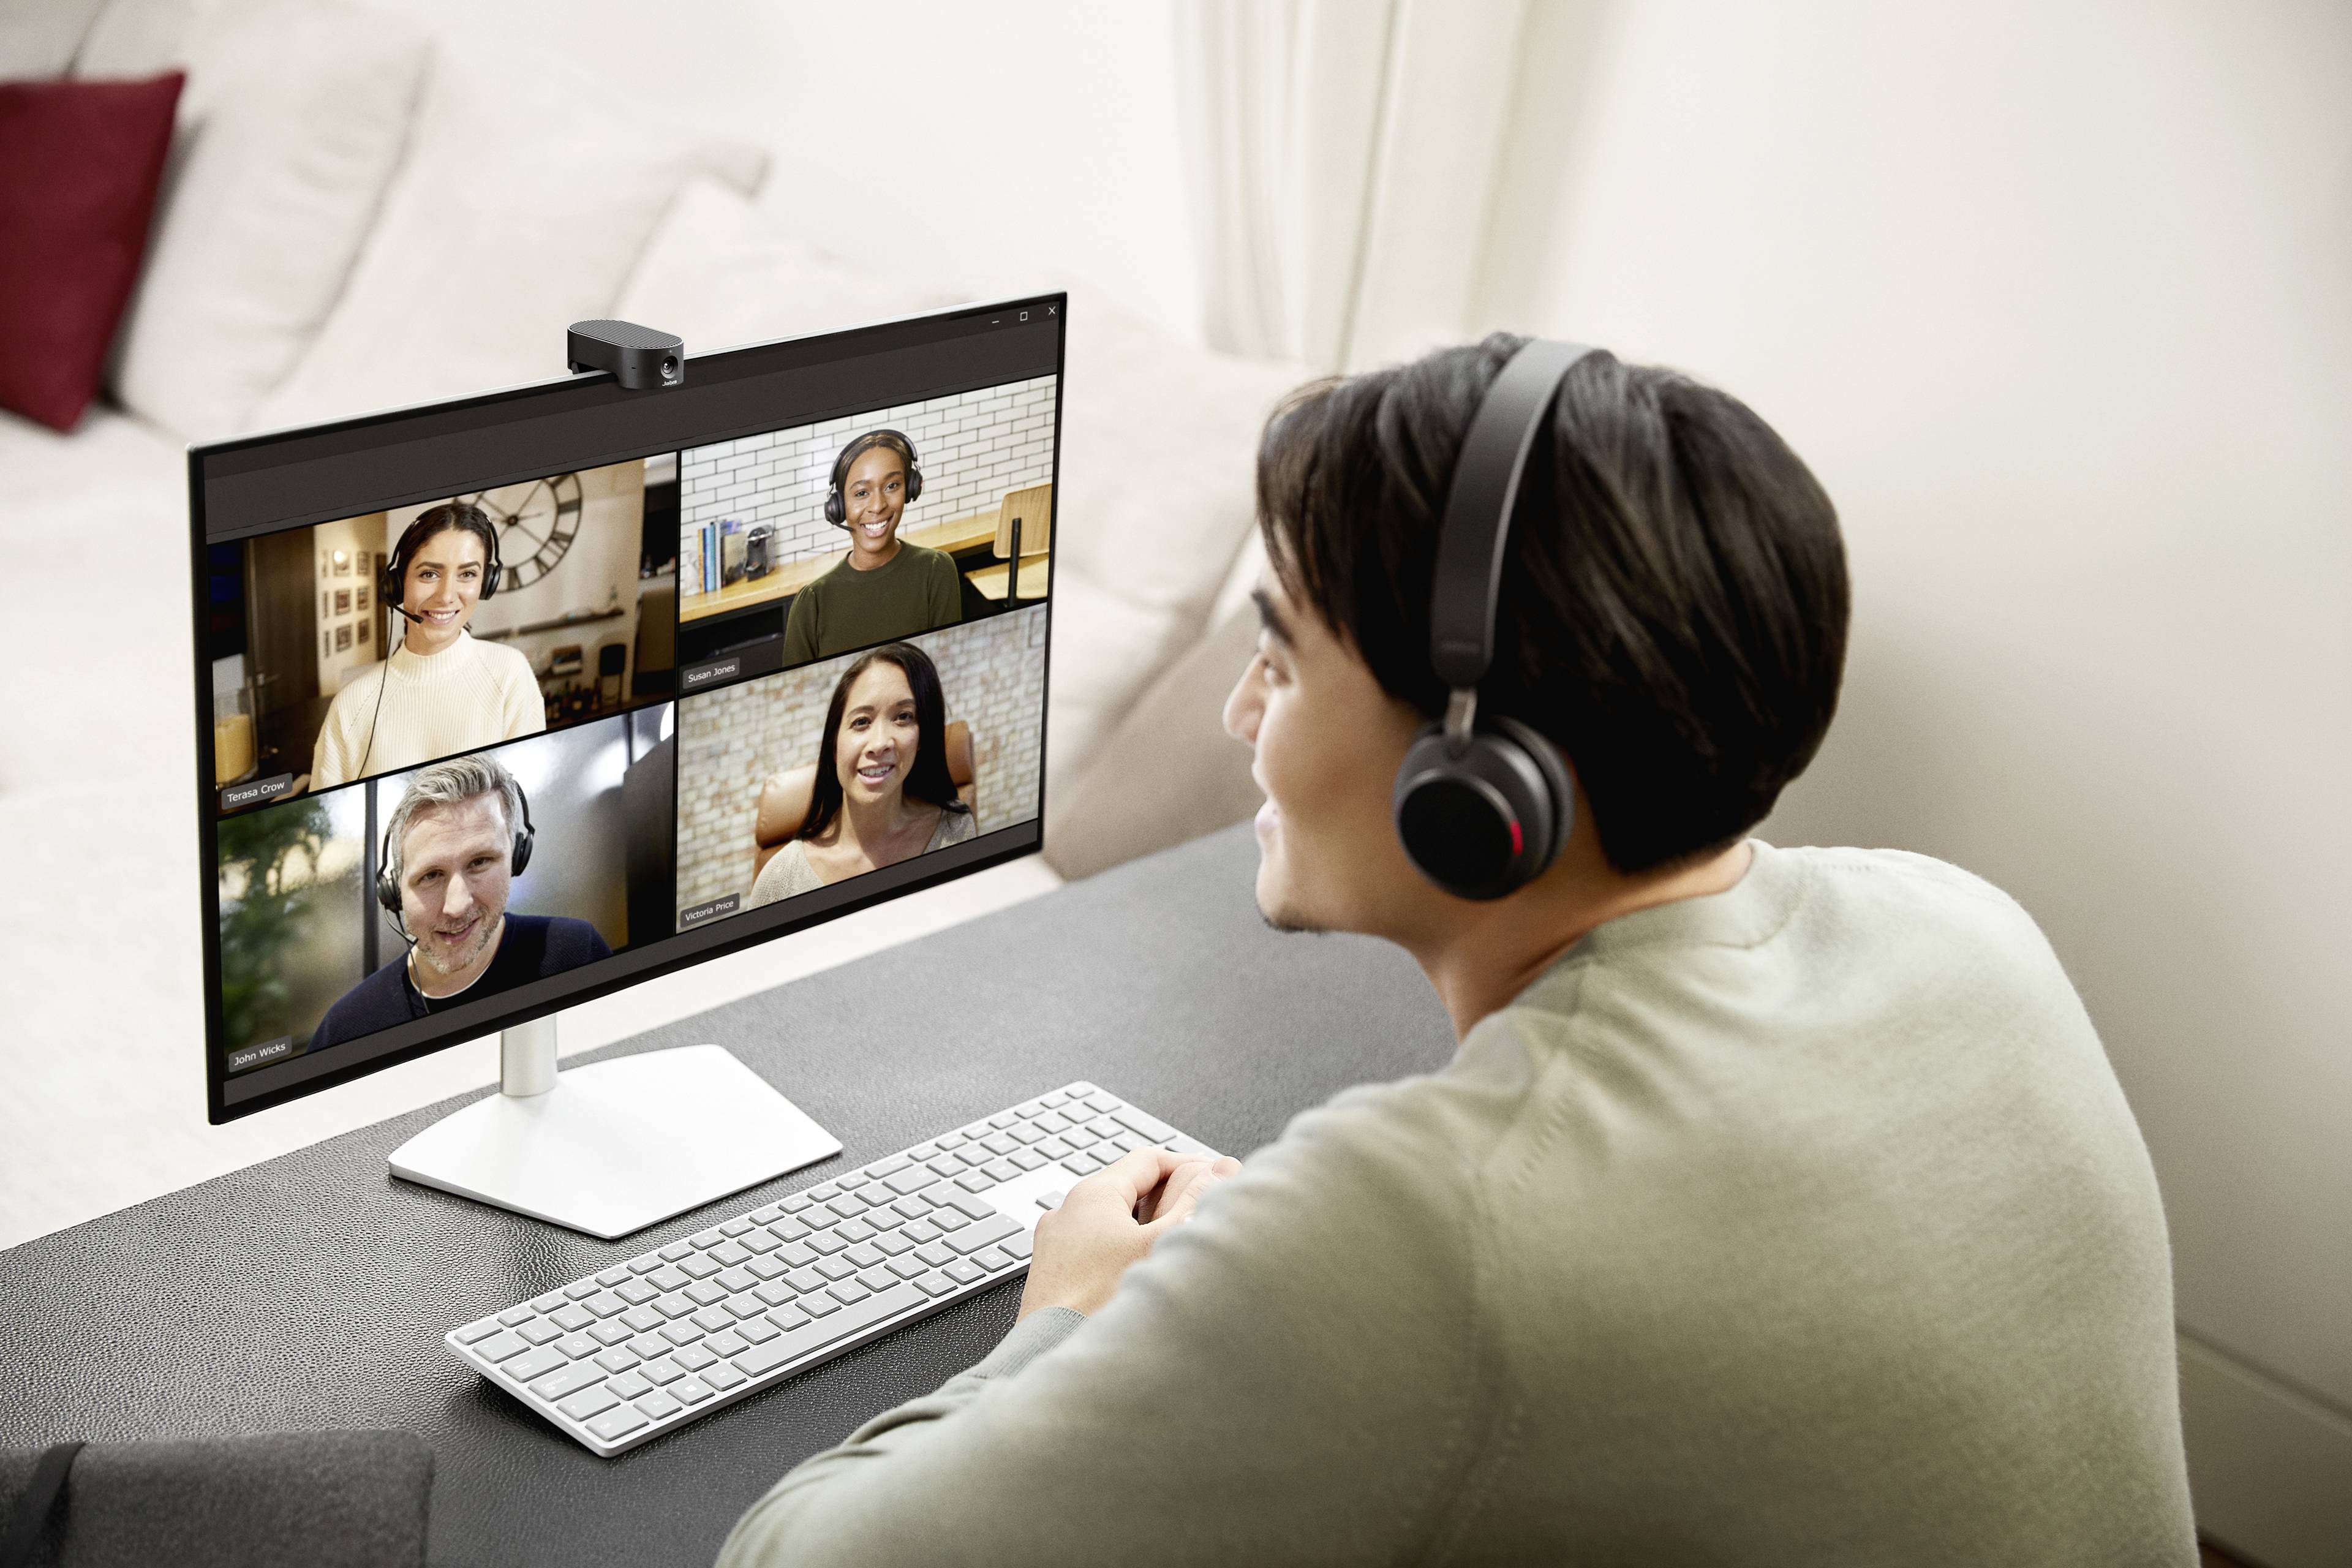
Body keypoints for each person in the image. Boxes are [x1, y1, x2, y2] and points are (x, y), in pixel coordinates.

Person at [715, 339, 2196, 1565]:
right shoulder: (1968, 926)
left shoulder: (1422, 1227)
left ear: (1476, 786)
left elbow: (802, 1560)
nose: (1240, 712)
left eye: (1282, 658)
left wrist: (1069, 1308)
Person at [309, 754, 609, 1049]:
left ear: (516, 857)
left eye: (479, 862)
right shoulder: (346, 1028)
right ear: (394, 893)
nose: (457, 906)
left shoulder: (575, 952)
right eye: (431, 875)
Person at [310, 502, 543, 789]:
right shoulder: (352, 705)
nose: (447, 596)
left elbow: (523, 793)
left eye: (467, 574)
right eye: (429, 574)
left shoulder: (509, 673)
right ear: (397, 584)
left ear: (486, 583)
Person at [745, 642, 976, 907]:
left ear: (922, 737)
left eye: (903, 717)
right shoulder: (780, 881)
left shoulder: (955, 831)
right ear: (834, 747)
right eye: (861, 722)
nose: (879, 744)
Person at [779, 429, 961, 664]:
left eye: (892, 486)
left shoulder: (936, 570)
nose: (877, 506)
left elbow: (944, 664)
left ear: (911, 489)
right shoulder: (812, 603)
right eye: (861, 493)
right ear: (839, 507)